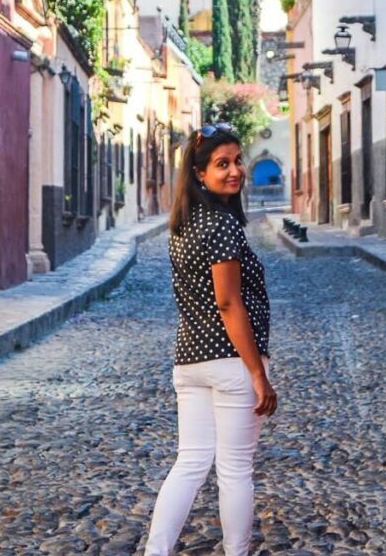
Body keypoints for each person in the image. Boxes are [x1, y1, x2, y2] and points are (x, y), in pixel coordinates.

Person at [144, 124, 277, 556]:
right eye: (223, 164)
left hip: (190, 363)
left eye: (238, 160)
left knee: (190, 463)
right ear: (200, 173)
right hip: (231, 362)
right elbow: (228, 303)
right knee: (236, 469)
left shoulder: (182, 224)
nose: (235, 171)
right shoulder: (221, 226)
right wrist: (258, 374)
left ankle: (155, 551)